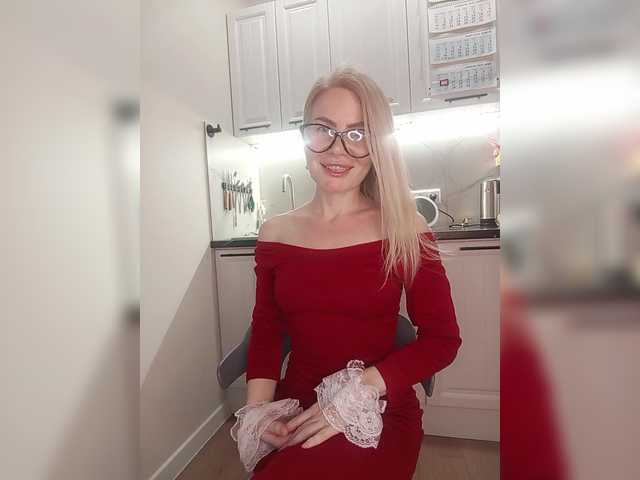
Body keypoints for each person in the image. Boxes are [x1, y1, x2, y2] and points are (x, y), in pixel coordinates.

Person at [230, 67, 462, 479]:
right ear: (304, 137)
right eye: (323, 129)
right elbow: (267, 330)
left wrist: (360, 391)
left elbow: (442, 341)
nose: (338, 149)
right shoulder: (275, 232)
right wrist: (259, 412)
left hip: (376, 408)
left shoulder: (405, 228)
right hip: (297, 406)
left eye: (358, 133)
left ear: (376, 147)